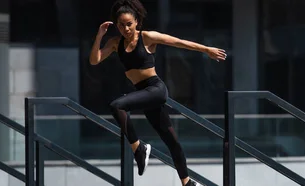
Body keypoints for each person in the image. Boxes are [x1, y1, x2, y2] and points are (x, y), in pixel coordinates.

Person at [89, 0, 227, 185]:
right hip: (143, 94)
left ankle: (139, 149)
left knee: (117, 105)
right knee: (171, 140)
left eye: (129, 24)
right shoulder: (115, 43)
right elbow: (94, 60)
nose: (126, 29)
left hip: (155, 89)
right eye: (121, 25)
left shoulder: (147, 37)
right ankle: (187, 183)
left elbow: (178, 42)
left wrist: (207, 50)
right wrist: (99, 36)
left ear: (136, 21)